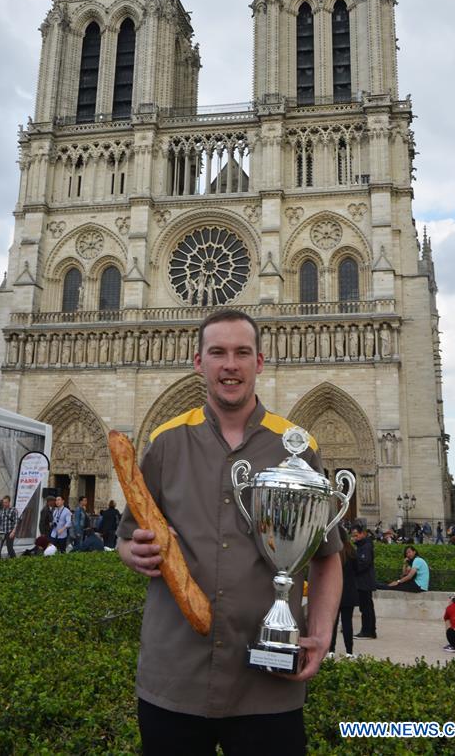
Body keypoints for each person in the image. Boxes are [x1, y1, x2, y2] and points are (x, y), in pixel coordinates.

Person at [117, 309, 342, 756]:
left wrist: (320, 632)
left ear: (259, 362)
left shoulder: (297, 446)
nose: (230, 365)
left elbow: (326, 555)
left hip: (268, 682)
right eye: (217, 352)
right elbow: (128, 535)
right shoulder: (165, 442)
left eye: (242, 353)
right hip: (174, 675)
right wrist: (131, 552)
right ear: (198, 362)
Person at [328, 527, 358, 658]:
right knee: (347, 623)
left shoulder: (334, 551)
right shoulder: (351, 550)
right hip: (349, 591)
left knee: (333, 623)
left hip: (334, 591)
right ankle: (349, 652)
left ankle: (330, 650)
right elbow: (357, 569)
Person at [351, 522, 377, 639]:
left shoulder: (365, 547)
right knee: (367, 607)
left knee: (366, 607)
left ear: (363, 534)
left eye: (356, 535)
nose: (354, 538)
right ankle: (370, 630)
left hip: (364, 582)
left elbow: (363, 563)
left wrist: (353, 568)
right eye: (353, 536)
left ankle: (367, 631)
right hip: (364, 581)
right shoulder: (363, 546)